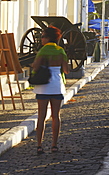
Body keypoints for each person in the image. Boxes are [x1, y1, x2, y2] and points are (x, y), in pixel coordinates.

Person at [32, 26, 69, 154]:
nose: (41, 39)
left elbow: (35, 68)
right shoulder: (60, 51)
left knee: (41, 116)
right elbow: (66, 70)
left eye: (43, 36)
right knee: (55, 116)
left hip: (43, 87)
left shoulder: (42, 51)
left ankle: (39, 145)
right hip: (57, 86)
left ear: (48, 38)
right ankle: (54, 145)